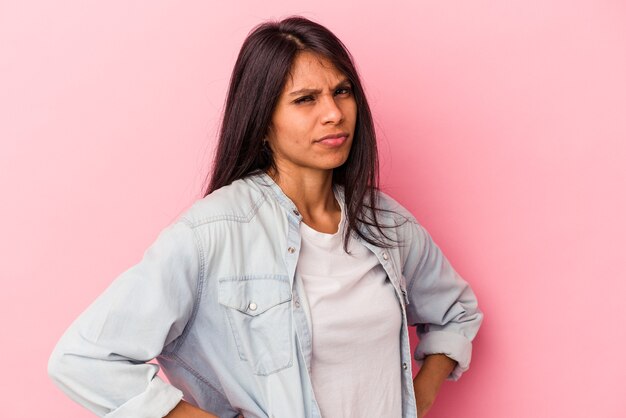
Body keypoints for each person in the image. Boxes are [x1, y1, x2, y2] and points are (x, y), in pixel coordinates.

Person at [48, 16, 483, 418]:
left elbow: (456, 312)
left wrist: (417, 397)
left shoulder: (384, 223)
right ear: (262, 120)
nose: (333, 113)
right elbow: (84, 358)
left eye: (342, 91)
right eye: (305, 99)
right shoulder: (211, 234)